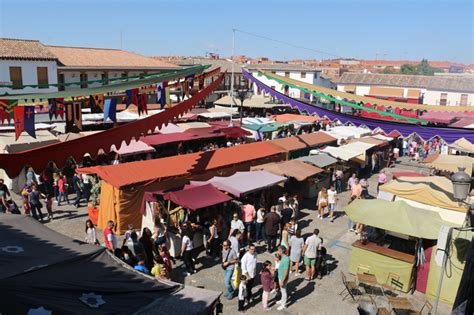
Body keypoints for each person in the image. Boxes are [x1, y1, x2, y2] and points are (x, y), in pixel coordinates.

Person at [276, 246, 290, 311]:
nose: (277, 252)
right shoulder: (283, 257)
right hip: (280, 277)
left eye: (278, 250)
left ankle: (283, 305)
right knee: (282, 290)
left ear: (282, 251)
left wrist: (282, 281)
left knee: (284, 291)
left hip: (283, 278)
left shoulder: (286, 259)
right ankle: (282, 300)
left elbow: (286, 272)